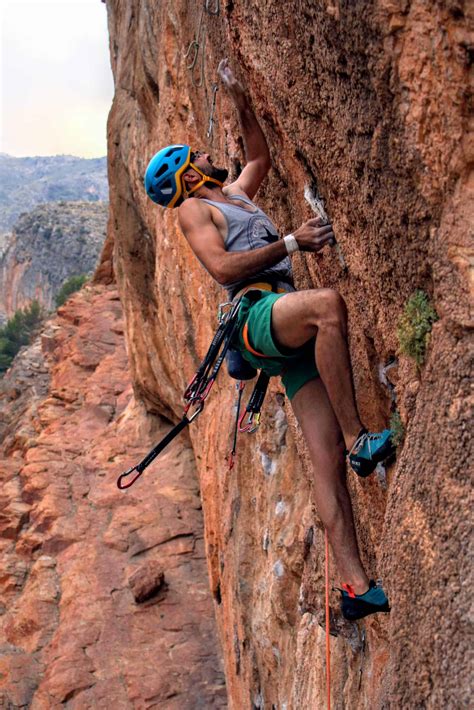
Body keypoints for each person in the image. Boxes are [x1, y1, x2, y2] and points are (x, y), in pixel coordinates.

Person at [144, 59, 394, 620]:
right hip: (256, 314)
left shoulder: (234, 194)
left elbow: (259, 156)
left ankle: (356, 589)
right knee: (327, 306)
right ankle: (360, 439)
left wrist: (241, 100)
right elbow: (225, 269)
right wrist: (291, 243)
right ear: (187, 176)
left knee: (322, 460)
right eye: (198, 157)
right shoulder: (194, 209)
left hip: (281, 328)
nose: (209, 155)